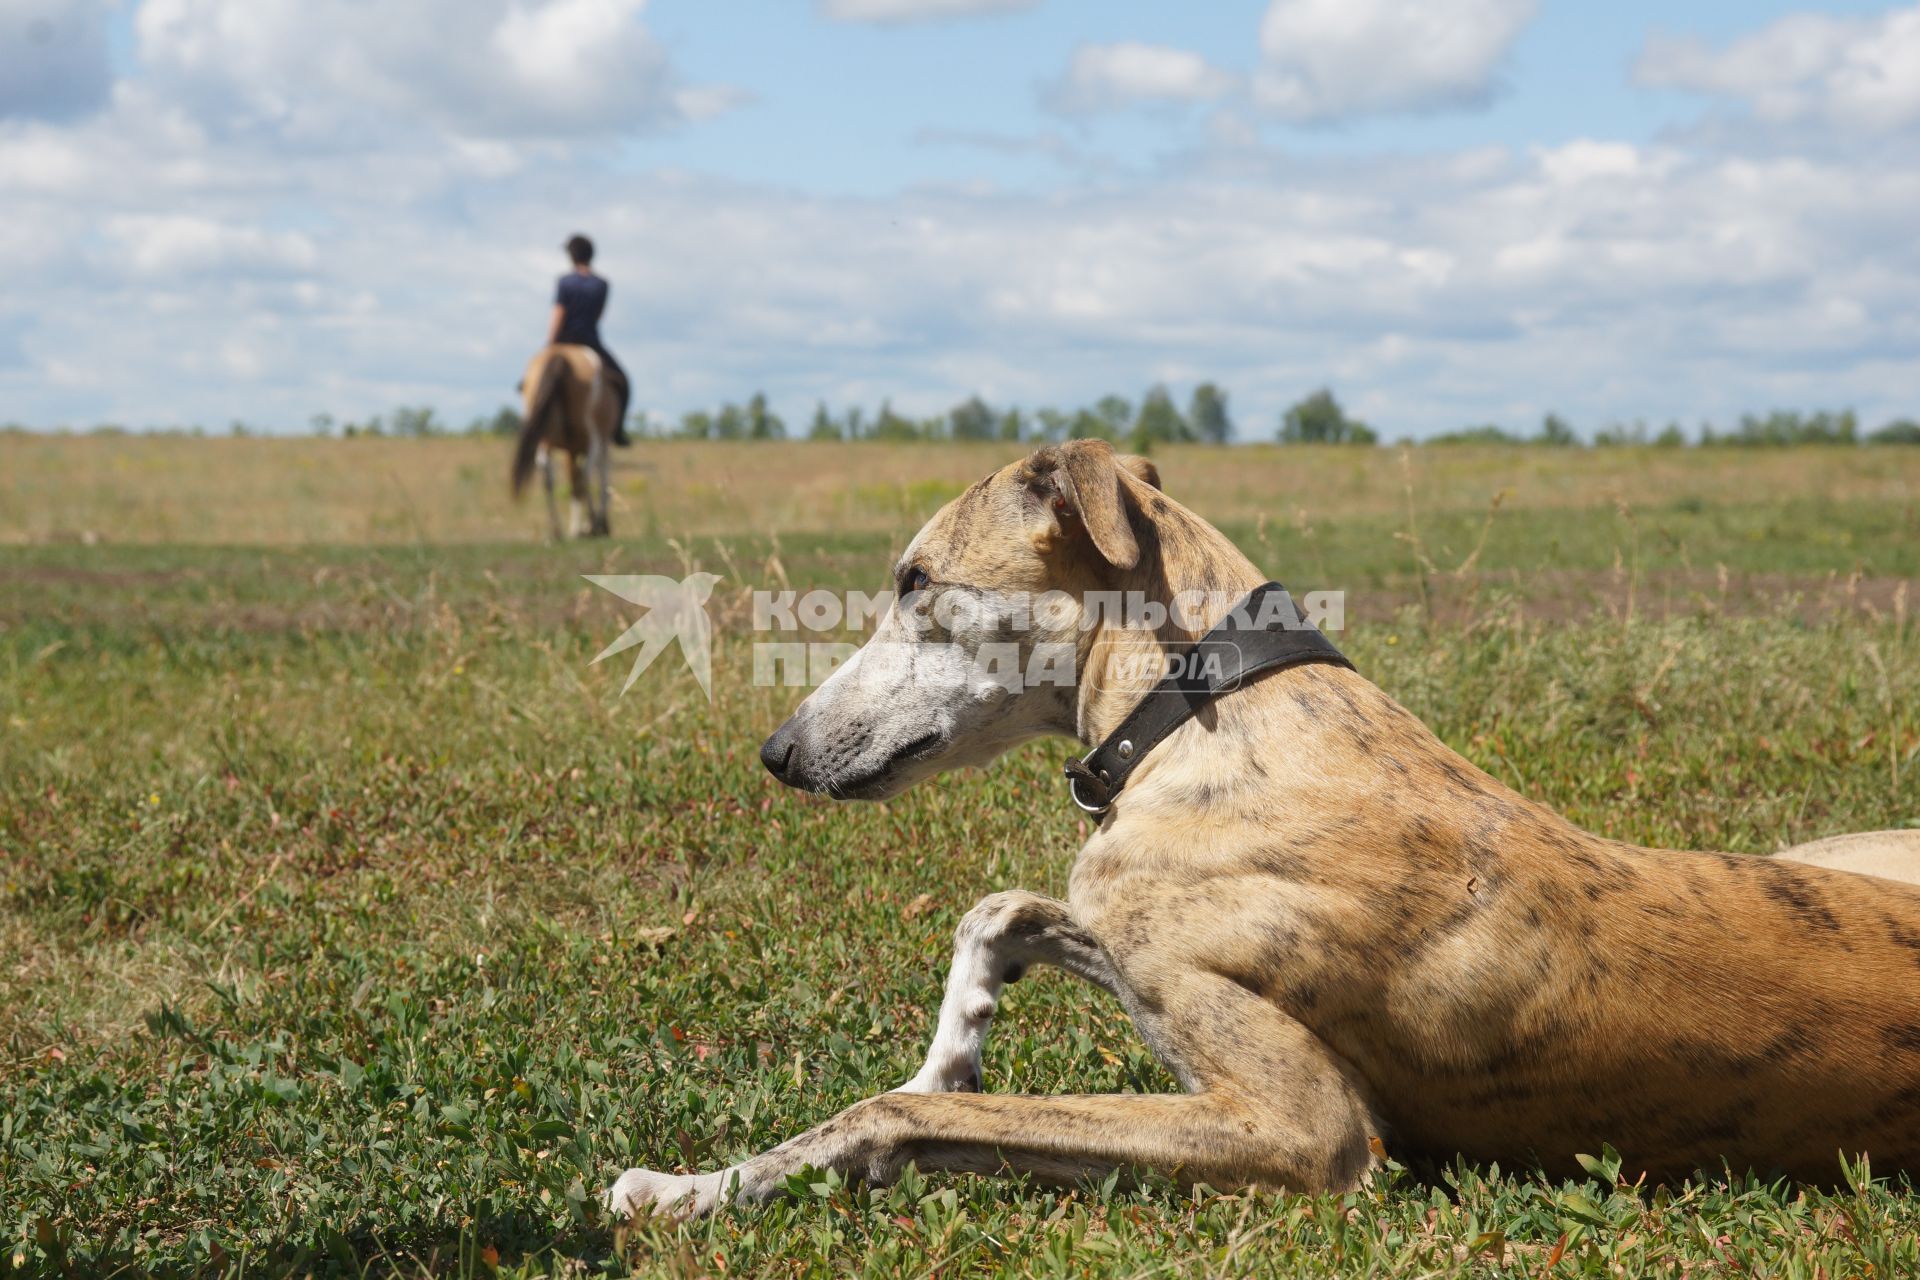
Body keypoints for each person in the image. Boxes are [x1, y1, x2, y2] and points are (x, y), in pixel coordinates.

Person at [548, 233, 631, 446]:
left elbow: (558, 315)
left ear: (571, 256)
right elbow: (599, 316)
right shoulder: (601, 284)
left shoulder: (564, 282)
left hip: (564, 340)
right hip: (590, 341)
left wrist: (550, 345)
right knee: (623, 381)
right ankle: (618, 431)